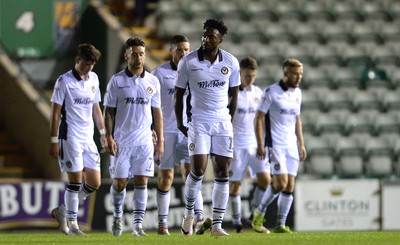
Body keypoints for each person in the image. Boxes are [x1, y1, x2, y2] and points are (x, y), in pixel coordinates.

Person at [175, 19, 240, 237]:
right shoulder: (188, 62)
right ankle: (189, 213)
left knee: (223, 172)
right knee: (198, 170)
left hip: (222, 122)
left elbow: (235, 95)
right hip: (198, 122)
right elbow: (178, 95)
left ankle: (217, 225)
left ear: (220, 40)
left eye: (211, 36)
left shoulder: (231, 62)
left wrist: (230, 120)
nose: (206, 39)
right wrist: (179, 121)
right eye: (204, 35)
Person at [103, 37, 164, 237]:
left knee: (142, 181)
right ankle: (118, 216)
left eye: (141, 54)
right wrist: (109, 137)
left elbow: (156, 112)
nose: (138, 58)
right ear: (126, 55)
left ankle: (138, 225)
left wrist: (160, 141)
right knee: (119, 183)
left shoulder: (153, 81)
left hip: (144, 141)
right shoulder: (117, 81)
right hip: (121, 141)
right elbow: (108, 112)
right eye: (134, 54)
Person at [151, 35, 210, 235]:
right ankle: (163, 224)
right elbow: (150, 104)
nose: (183, 53)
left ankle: (198, 217)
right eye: (179, 49)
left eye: (186, 49)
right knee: (166, 176)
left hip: (189, 130)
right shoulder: (159, 74)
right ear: (171, 51)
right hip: (166, 131)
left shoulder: (195, 72)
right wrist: (152, 129)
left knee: (193, 172)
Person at [49, 43, 105, 236]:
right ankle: (73, 225)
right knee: (75, 182)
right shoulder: (63, 81)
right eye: (86, 63)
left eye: (92, 64)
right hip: (70, 136)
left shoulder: (94, 79)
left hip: (88, 138)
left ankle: (62, 211)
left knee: (94, 183)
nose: (89, 67)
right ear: (77, 60)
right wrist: (54, 140)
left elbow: (96, 108)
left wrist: (103, 133)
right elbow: (55, 112)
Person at [252, 58, 307, 233]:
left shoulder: (297, 93)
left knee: (290, 186)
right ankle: (258, 213)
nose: (298, 78)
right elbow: (258, 117)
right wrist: (261, 143)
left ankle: (280, 224)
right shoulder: (271, 92)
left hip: (291, 144)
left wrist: (301, 144)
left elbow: (297, 120)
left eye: (300, 74)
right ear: (285, 74)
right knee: (280, 183)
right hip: (275, 144)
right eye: (295, 74)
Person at [229, 57, 271, 233]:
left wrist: (264, 142)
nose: (250, 79)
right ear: (240, 73)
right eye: (247, 75)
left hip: (255, 144)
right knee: (236, 184)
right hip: (237, 144)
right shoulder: (230, 93)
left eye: (253, 76)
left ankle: (254, 214)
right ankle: (237, 221)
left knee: (266, 180)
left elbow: (263, 119)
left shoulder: (258, 93)